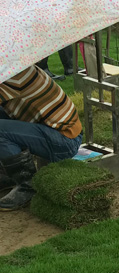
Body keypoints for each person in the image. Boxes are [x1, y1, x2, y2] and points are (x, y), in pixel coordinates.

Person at [0, 65, 83, 210]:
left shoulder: (13, 75)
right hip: (55, 131)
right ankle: (7, 176)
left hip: (64, 140)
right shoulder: (11, 66)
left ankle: (28, 185)